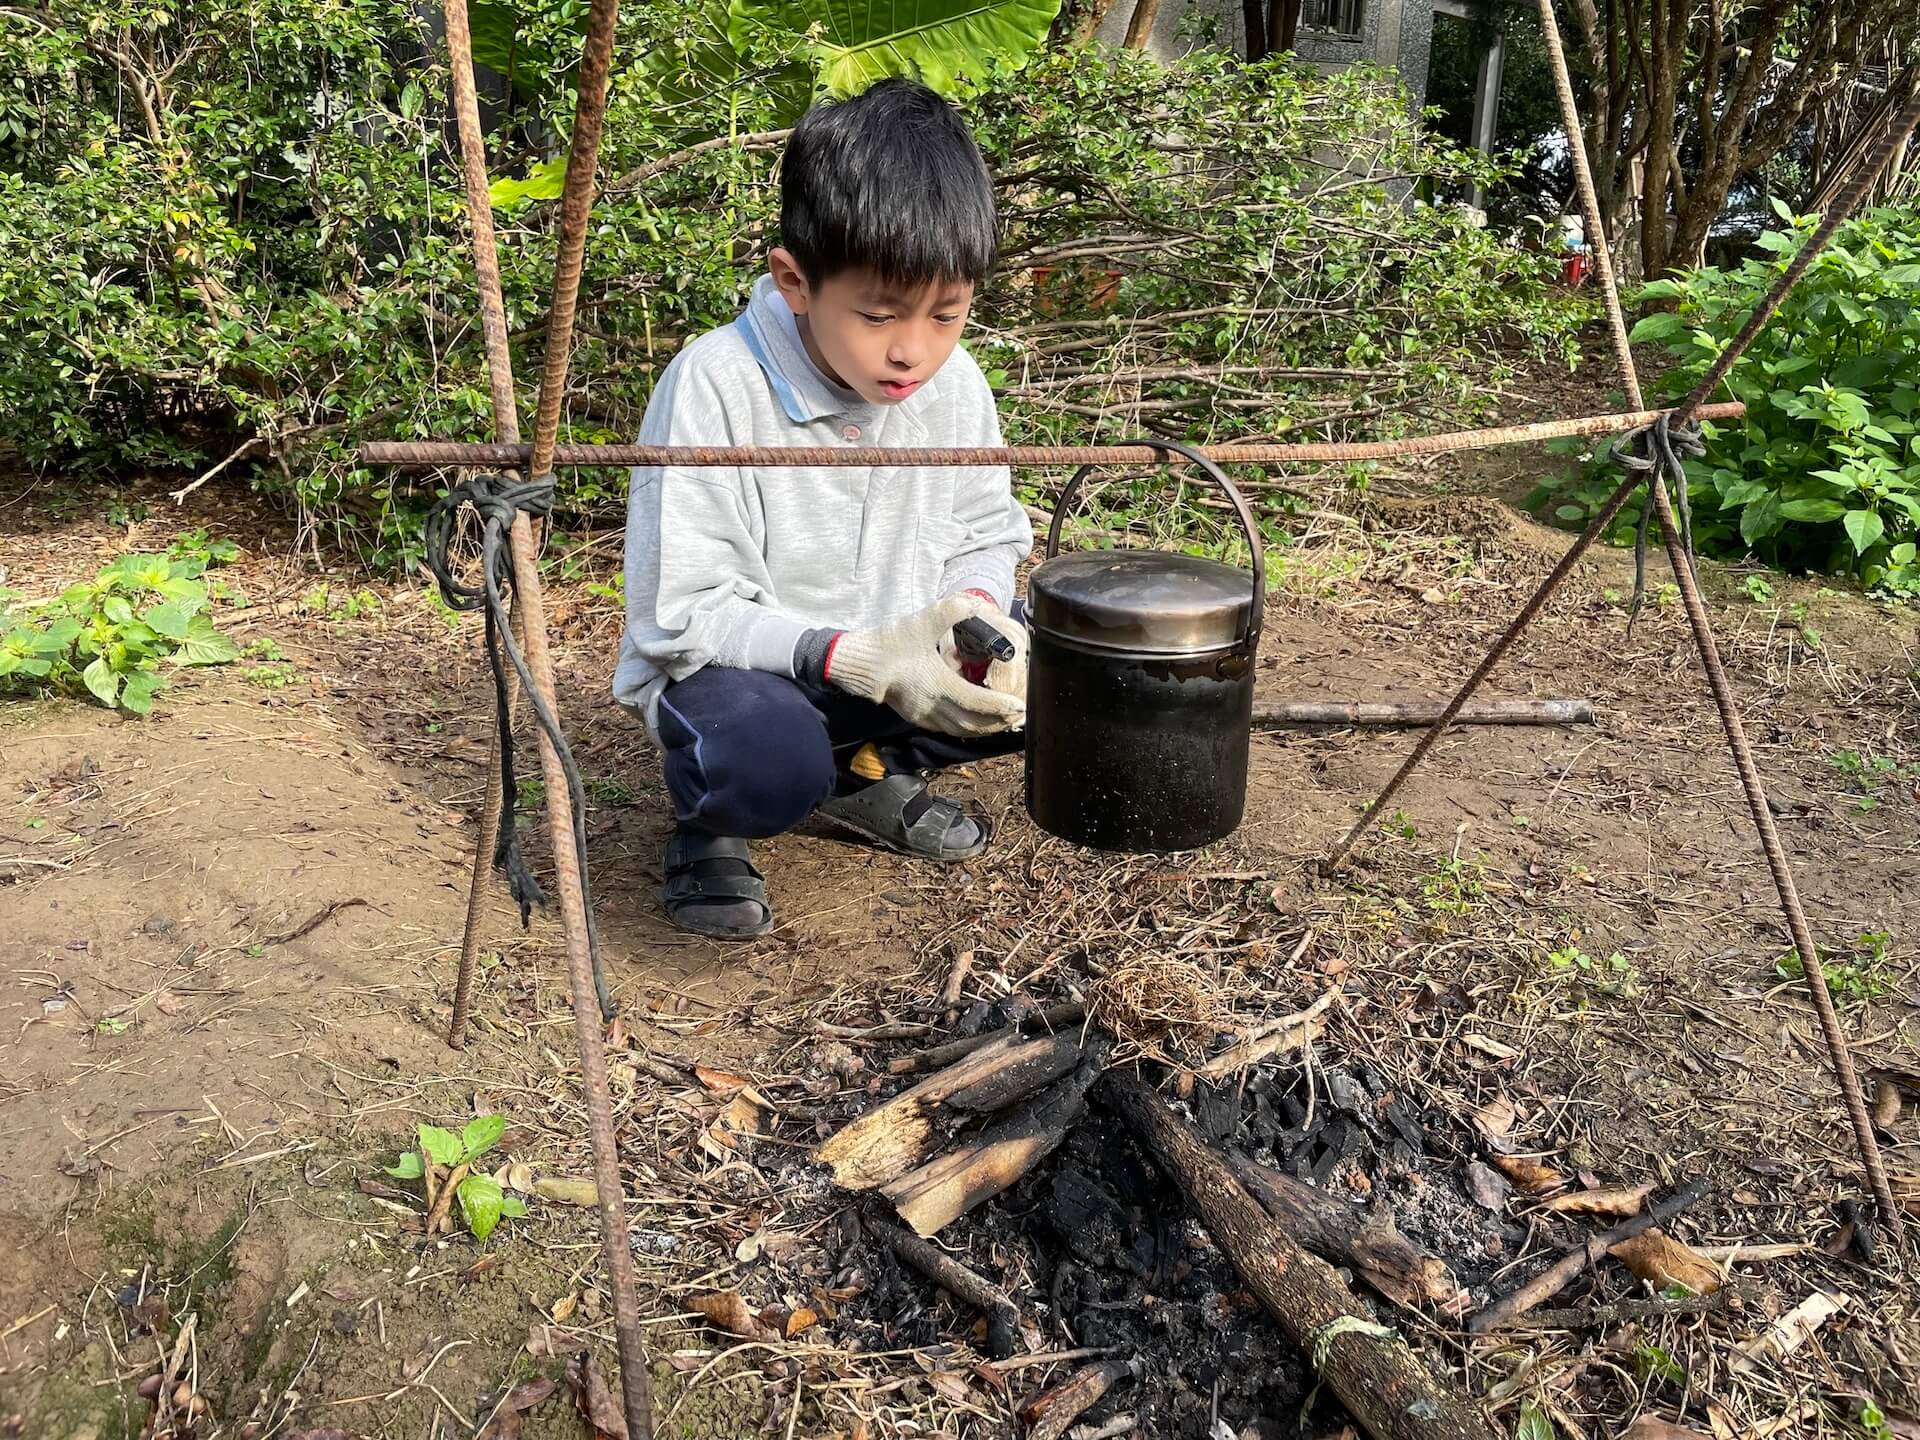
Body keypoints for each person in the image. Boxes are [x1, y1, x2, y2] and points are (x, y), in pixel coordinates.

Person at [613, 78, 1033, 941]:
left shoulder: (953, 385)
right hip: (753, 678)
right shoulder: (716, 385)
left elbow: (987, 529)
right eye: (878, 314)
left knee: (1074, 668)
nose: (913, 349)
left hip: (895, 661)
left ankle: (863, 777)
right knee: (766, 754)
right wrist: (847, 652)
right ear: (795, 280)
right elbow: (683, 615)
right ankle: (715, 826)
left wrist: (979, 612)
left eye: (947, 315)